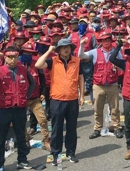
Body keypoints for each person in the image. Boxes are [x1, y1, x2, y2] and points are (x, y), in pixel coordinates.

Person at [35, 38, 85, 166]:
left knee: (71, 128)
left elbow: (80, 78)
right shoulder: (52, 61)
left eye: (68, 47)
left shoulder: (77, 61)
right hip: (57, 100)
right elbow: (38, 65)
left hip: (72, 99)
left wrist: (82, 96)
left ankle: (71, 153)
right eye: (63, 47)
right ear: (58, 50)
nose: (66, 49)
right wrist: (48, 51)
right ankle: (55, 152)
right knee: (57, 128)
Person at [0, 46, 35, 171]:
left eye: (15, 57)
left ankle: (22, 160)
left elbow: (33, 83)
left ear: (18, 57)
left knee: (21, 136)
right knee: (1, 138)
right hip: (4, 109)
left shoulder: (23, 69)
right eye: (9, 57)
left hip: (20, 108)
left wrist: (26, 96)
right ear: (5, 58)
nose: (12, 60)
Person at [78, 32, 123, 139]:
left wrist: (117, 67)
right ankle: (97, 128)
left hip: (113, 84)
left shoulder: (117, 52)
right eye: (103, 40)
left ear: (110, 40)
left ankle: (116, 127)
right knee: (98, 108)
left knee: (115, 108)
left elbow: (122, 65)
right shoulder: (95, 52)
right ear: (100, 42)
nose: (106, 42)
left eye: (107, 39)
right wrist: (82, 45)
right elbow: (81, 56)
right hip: (98, 85)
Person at [19, 42, 51, 151]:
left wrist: (42, 92)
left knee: (42, 119)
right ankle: (25, 140)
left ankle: (46, 141)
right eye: (25, 52)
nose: (27, 54)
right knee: (22, 121)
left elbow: (42, 79)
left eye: (30, 53)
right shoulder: (17, 64)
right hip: (21, 99)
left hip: (35, 98)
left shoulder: (36, 64)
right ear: (22, 53)